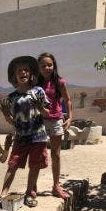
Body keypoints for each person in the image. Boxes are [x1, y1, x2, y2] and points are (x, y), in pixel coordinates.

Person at [0, 55, 50, 208]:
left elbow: (47, 114)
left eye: (26, 70)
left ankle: (30, 193)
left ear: (31, 73)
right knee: (13, 164)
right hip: (20, 137)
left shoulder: (38, 91)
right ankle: (3, 194)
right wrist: (6, 115)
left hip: (38, 136)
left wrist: (40, 107)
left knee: (35, 165)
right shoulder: (12, 97)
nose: (23, 72)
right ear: (14, 76)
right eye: (19, 70)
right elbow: (13, 121)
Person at [37, 52, 72, 199]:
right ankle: (32, 187)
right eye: (43, 65)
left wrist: (70, 117)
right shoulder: (35, 83)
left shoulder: (59, 82)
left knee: (56, 155)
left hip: (56, 120)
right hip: (40, 121)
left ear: (54, 66)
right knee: (38, 154)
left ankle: (56, 186)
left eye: (49, 65)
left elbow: (67, 100)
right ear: (38, 68)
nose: (47, 68)